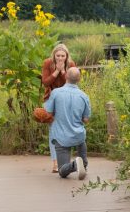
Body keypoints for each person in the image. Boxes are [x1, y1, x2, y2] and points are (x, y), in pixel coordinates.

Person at [44, 67, 91, 180]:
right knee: (83, 162)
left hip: (61, 135)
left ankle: (74, 165)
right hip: (78, 135)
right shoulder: (84, 96)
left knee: (62, 171)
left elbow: (48, 112)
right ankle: (82, 163)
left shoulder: (55, 93)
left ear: (66, 76)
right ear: (79, 79)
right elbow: (86, 120)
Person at [41, 44, 76, 172]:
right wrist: (56, 71)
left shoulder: (71, 65)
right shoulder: (47, 63)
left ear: (66, 56)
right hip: (51, 99)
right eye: (58, 56)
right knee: (53, 131)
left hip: (67, 99)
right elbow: (45, 82)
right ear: (54, 55)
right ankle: (55, 163)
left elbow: (73, 82)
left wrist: (62, 71)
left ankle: (65, 161)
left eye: (63, 56)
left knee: (67, 130)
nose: (60, 58)